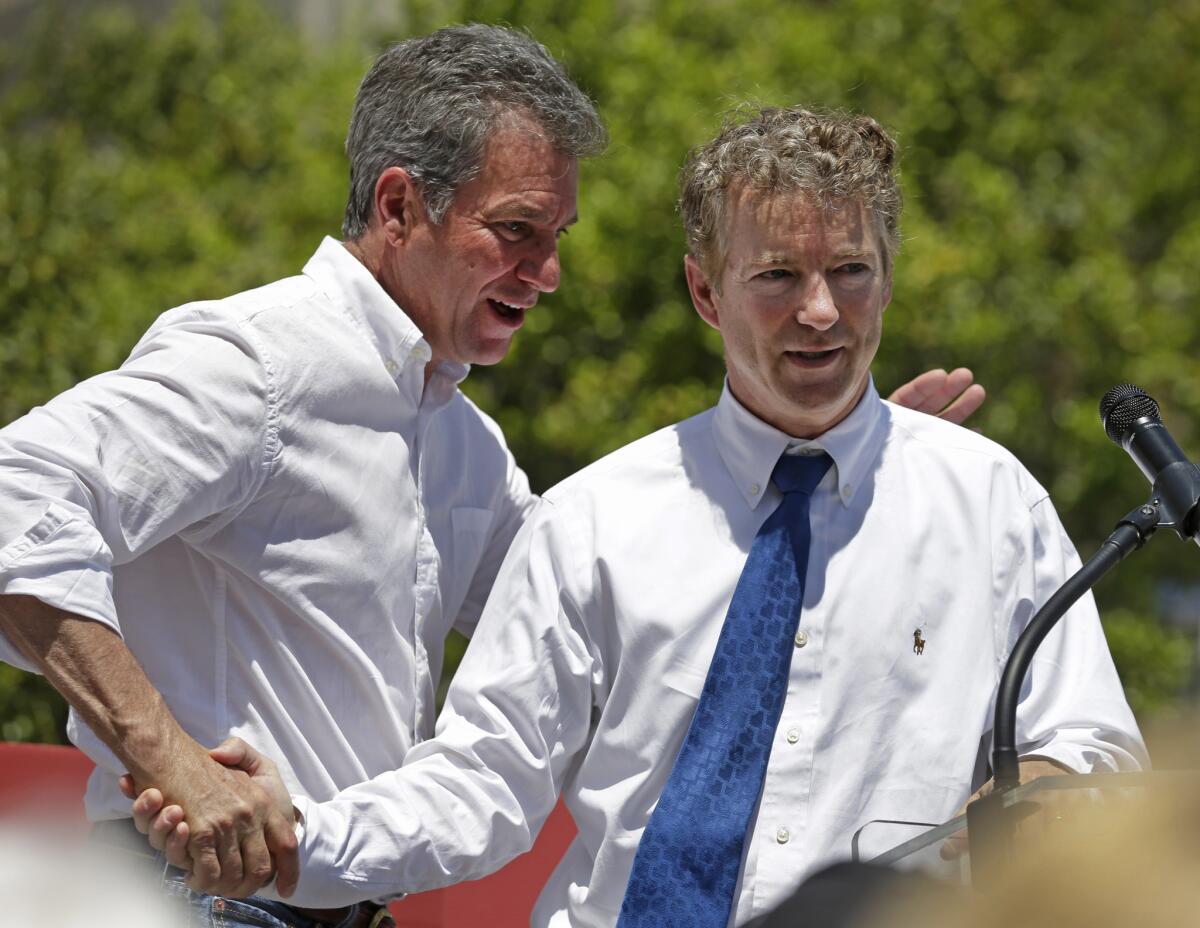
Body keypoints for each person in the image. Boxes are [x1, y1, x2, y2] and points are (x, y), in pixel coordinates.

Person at [0, 27, 980, 928]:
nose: (547, 272)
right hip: (183, 902)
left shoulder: (457, 435)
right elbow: (17, 496)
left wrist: (824, 473)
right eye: (517, 231)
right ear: (398, 206)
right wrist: (172, 762)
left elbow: (624, 603)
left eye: (557, 238)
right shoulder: (261, 361)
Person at [137, 105, 1144, 924]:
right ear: (705, 292)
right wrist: (297, 841)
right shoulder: (592, 522)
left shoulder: (992, 503)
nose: (823, 312)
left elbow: (1091, 744)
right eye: (778, 277)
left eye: (850, 271)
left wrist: (1048, 787)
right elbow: (481, 781)